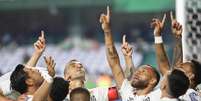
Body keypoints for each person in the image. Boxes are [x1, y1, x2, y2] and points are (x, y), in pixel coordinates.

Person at [100, 6, 160, 101]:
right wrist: (107, 31)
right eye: (138, 70)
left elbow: (166, 68)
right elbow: (114, 62)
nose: (137, 72)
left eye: (143, 71)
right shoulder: (127, 91)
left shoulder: (158, 96)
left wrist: (158, 37)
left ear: (153, 81)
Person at [151, 12, 201, 101]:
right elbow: (164, 66)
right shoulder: (194, 94)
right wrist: (158, 36)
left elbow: (167, 68)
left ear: (190, 76)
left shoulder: (185, 93)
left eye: (182, 66)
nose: (179, 65)